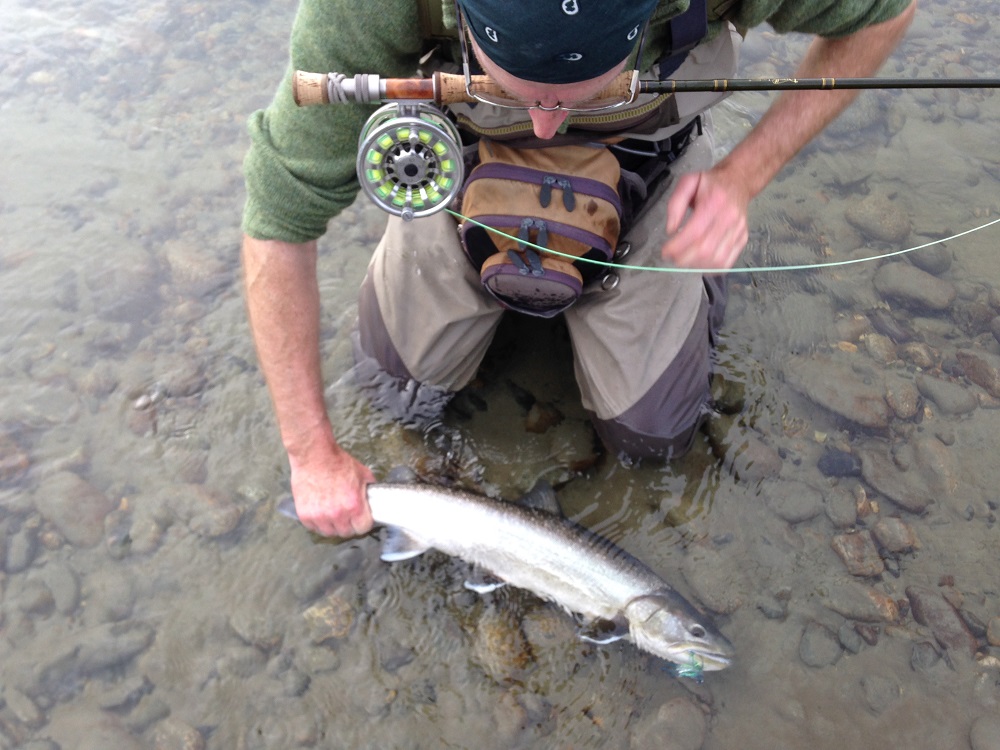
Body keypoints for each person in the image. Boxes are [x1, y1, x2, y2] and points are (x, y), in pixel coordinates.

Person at [242, 0, 916, 537]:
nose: (543, 125)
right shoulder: (363, 9)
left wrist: (745, 176)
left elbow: (887, 13)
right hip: (466, 171)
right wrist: (311, 456)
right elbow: (277, 222)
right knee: (396, 394)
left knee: (652, 438)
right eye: (517, 90)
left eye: (572, 97)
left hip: (650, 173)